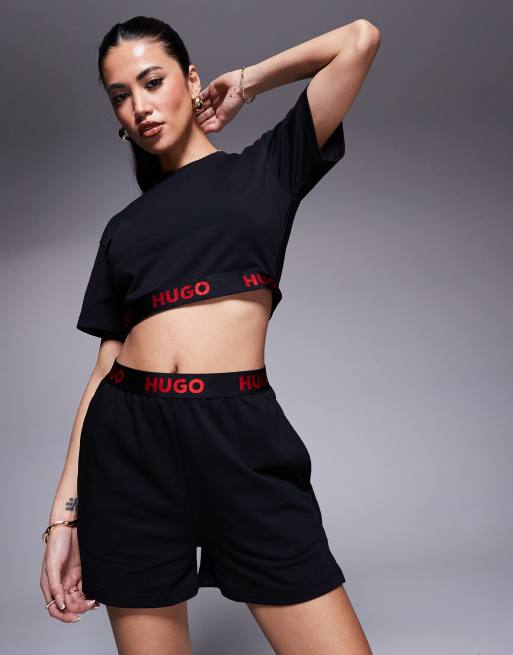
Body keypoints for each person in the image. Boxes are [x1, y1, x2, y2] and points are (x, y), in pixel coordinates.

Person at [40, 14, 380, 655]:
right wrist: (63, 518)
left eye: (153, 81)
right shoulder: (123, 229)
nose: (140, 107)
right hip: (128, 447)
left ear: (191, 80)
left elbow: (358, 40)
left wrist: (246, 83)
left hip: (238, 436)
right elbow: (104, 368)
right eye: (121, 95)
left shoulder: (267, 169)